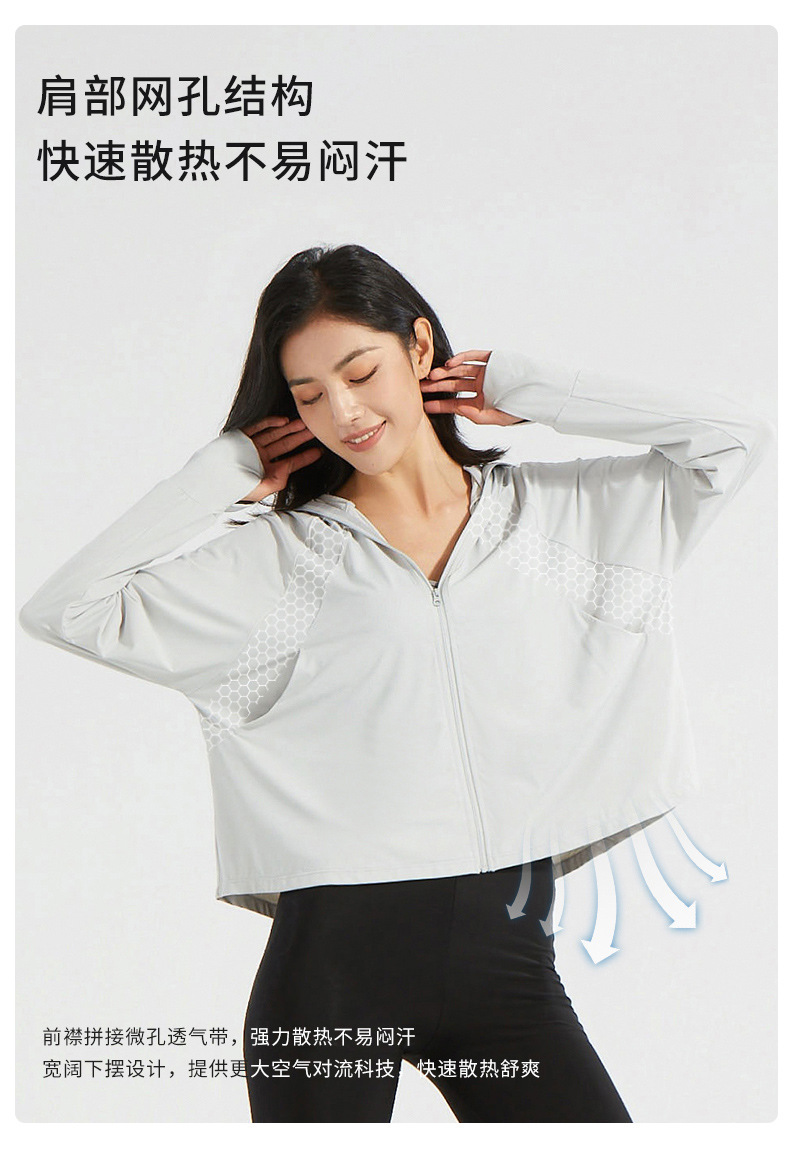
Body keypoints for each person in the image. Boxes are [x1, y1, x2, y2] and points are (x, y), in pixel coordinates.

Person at [19, 244, 773, 1123]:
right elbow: (65, 610)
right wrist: (219, 477)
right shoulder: (281, 565)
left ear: (419, 348)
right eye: (308, 395)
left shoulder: (562, 521)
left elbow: (736, 440)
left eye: (360, 371)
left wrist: (534, 389)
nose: (343, 412)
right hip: (329, 987)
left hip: (510, 978)